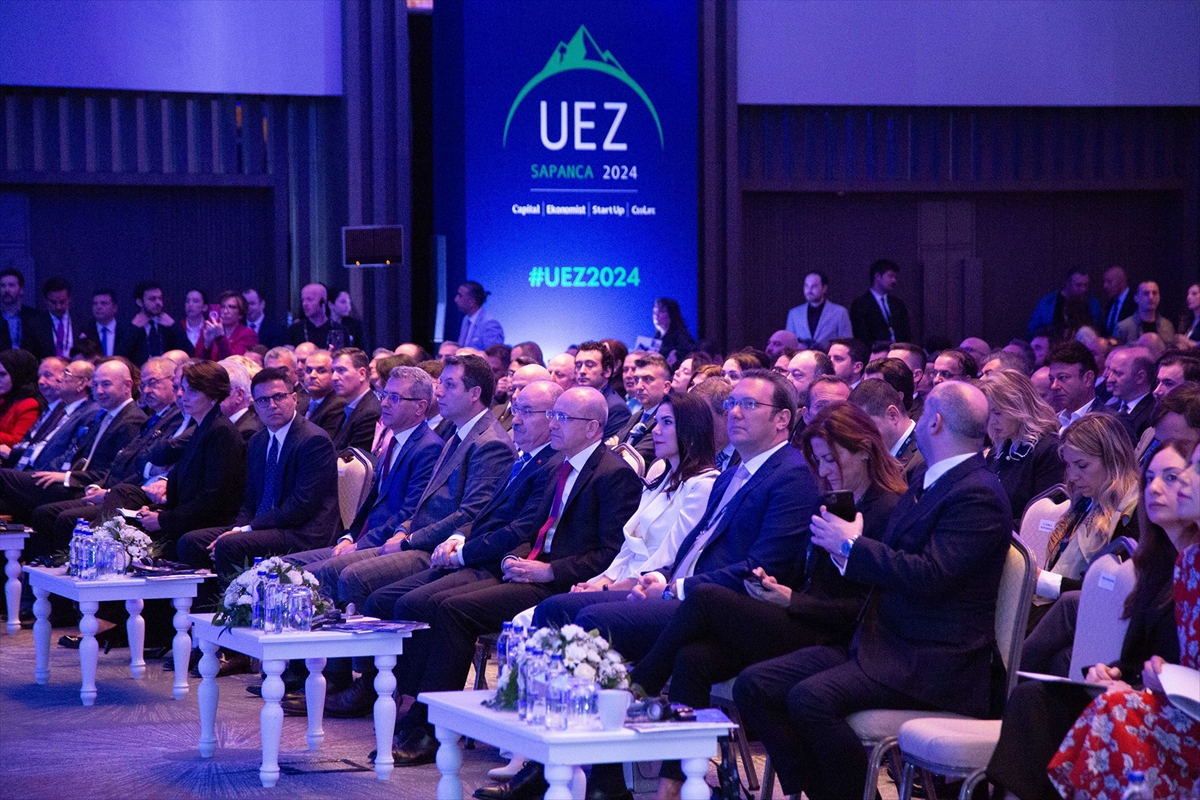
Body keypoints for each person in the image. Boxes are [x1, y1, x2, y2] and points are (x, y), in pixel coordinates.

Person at [734, 381, 1012, 800]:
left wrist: (851, 546)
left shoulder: (977, 492)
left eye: (923, 414)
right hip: (886, 644)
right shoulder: (932, 481)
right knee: (756, 685)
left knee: (810, 700)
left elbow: (932, 576)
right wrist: (849, 549)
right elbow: (899, 562)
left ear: (934, 423)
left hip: (934, 661)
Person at [625, 402, 904, 797]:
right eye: (819, 461)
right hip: (805, 617)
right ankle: (674, 784)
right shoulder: (833, 500)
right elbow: (812, 575)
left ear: (864, 450)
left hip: (838, 634)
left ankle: (640, 686)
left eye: (831, 459)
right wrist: (778, 590)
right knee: (693, 657)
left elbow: (862, 607)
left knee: (706, 595)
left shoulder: (887, 509)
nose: (825, 470)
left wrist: (794, 600)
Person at [376, 387, 641, 768]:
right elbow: (529, 528)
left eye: (563, 418)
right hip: (527, 569)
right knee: (435, 603)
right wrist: (514, 557)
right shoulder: (560, 466)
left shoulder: (614, 475)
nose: (553, 424)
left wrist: (550, 569)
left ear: (592, 428)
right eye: (553, 415)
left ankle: (433, 728)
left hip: (560, 584)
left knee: (454, 610)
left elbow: (610, 553)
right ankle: (420, 710)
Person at [987, 440, 1197, 799]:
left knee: (1101, 708)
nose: (1156, 488)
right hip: (1145, 694)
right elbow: (1136, 659)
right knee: (1034, 699)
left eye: (1172, 476)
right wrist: (1110, 672)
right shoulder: (1159, 567)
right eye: (1149, 479)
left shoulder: (1187, 565)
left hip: (1175, 706)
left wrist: (1148, 683)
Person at [1046, 445, 1200, 800]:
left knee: (1114, 711)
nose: (1182, 481)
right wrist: (1159, 677)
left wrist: (1160, 683)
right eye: (1150, 479)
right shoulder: (1187, 564)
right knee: (1089, 703)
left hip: (1186, 715)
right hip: (1182, 708)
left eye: (1193, 470)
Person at [312, 354, 516, 611]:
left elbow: (470, 514)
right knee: (330, 569)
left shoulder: (490, 443)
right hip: (417, 538)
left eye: (449, 385)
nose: (438, 392)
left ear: (474, 393)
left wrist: (409, 539)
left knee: (350, 575)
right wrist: (403, 529)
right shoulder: (458, 433)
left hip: (439, 548)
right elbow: (424, 504)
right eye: (440, 384)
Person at [0, 358, 146, 528]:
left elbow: (114, 470)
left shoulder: (132, 420)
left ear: (127, 385)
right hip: (75, 479)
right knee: (7, 503)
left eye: (106, 384)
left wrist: (68, 476)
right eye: (96, 384)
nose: (99, 391)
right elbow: (80, 455)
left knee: (5, 477)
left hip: (84, 486)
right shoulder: (105, 415)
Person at [1029, 413, 1139, 629]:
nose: (1072, 477)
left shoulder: (1132, 514)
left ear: (1113, 460)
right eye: (1069, 466)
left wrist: (1043, 581)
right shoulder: (1083, 503)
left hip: (1092, 622)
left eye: (1082, 466)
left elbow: (1109, 591)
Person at [133, 361, 247, 559]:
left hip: (210, 522)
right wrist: (155, 511)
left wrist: (163, 519)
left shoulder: (221, 431)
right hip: (190, 518)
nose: (183, 396)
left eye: (192, 392)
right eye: (183, 389)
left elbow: (213, 496)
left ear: (213, 395)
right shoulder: (202, 428)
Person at [979, 369, 1065, 525]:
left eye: (998, 413)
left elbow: (1044, 519)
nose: (992, 421)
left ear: (1020, 408)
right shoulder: (996, 452)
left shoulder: (1048, 449)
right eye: (988, 414)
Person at [849, 376, 924, 480]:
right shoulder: (873, 457)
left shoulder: (924, 459)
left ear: (892, 416)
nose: (861, 437)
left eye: (866, 427)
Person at [611, 352, 671, 463]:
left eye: (647, 379)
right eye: (636, 380)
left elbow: (633, 460)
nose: (638, 386)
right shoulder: (637, 416)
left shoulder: (666, 421)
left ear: (666, 387)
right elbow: (610, 446)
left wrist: (617, 448)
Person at [1048, 340, 1112, 432]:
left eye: (1062, 378)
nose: (1054, 386)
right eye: (1051, 379)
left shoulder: (1110, 422)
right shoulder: (1052, 424)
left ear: (1088, 379)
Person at [574, 341, 630, 440]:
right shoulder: (572, 400)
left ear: (607, 371)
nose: (582, 371)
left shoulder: (616, 408)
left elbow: (605, 448)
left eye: (590, 365)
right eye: (578, 365)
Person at [328, 347, 381, 452]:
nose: (334, 377)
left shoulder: (370, 413)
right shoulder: (349, 406)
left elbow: (353, 458)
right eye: (333, 371)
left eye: (341, 370)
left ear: (362, 374)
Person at [1026, 268, 1102, 340]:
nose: (1083, 289)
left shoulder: (1093, 303)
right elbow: (1031, 330)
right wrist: (1052, 331)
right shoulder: (1048, 301)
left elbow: (1099, 330)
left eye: (1086, 285)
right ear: (1067, 283)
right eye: (1078, 285)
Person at [850, 259, 911, 344]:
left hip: (898, 349)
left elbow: (906, 332)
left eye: (895, 277)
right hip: (873, 351)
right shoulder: (860, 304)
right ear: (877, 276)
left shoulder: (898, 304)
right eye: (890, 276)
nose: (894, 280)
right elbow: (861, 335)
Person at [127, 282, 190, 363]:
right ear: (139, 302)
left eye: (160, 298)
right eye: (152, 299)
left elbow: (189, 352)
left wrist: (173, 327)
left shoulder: (169, 324)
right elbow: (120, 356)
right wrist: (134, 330)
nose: (158, 303)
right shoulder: (129, 325)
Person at [1105, 345, 1157, 442]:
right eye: (1110, 371)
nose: (1110, 379)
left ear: (1140, 377)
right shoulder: (1108, 409)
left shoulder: (1154, 414)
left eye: (1118, 373)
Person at [786, 271, 853, 345]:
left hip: (828, 352)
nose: (809, 290)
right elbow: (788, 343)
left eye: (814, 286)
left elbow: (847, 343)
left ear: (824, 288)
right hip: (801, 352)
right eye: (806, 286)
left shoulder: (840, 312)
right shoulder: (794, 314)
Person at [193, 290, 258, 359]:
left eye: (231, 307)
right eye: (222, 307)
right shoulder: (210, 328)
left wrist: (220, 338)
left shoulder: (248, 335)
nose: (225, 311)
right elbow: (197, 361)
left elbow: (234, 361)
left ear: (240, 314)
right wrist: (207, 345)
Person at [0, 268, 50, 358]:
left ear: (21, 290)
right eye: (2, 286)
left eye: (11, 285)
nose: (6, 290)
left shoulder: (35, 317)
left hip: (30, 364)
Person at [0, 349, 43, 447]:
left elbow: (18, 441)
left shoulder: (29, 404)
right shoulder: (5, 398)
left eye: (2, 374)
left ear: (18, 374)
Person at [34, 277, 85, 360]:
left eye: (62, 302)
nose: (58, 307)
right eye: (53, 302)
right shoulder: (35, 324)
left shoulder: (81, 322)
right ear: (45, 300)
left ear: (69, 299)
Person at [299, 350, 346, 438]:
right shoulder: (301, 401)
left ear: (333, 374)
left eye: (321, 371)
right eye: (309, 370)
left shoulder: (338, 405)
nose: (312, 375)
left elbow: (323, 442)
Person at [1116, 281, 1176, 345]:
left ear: (1159, 298)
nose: (1151, 297)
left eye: (1154, 293)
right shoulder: (1123, 327)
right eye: (1146, 293)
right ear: (1136, 298)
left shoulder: (1167, 326)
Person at [218, 358, 263, 442]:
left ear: (239, 395)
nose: (211, 398)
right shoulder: (221, 425)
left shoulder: (249, 432)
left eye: (218, 391)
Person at [84, 289, 135, 358]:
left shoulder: (126, 331)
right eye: (95, 303)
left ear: (115, 308)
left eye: (103, 303)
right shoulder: (86, 330)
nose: (98, 307)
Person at [455, 281, 504, 349]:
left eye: (460, 296)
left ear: (472, 302)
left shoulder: (490, 324)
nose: (456, 299)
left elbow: (493, 354)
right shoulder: (466, 319)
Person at [286, 283, 337, 348]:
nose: (304, 304)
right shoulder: (294, 330)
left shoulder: (339, 330)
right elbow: (288, 353)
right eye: (303, 300)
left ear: (323, 301)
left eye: (309, 299)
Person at [653, 297, 695, 367]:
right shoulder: (657, 335)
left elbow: (692, 351)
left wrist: (677, 353)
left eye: (661, 311)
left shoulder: (681, 335)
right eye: (654, 311)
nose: (656, 315)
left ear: (671, 314)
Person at [1102, 266, 1136, 337]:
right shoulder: (1109, 304)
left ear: (1121, 282)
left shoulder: (1135, 301)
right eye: (1104, 282)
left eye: (1109, 282)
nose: (1105, 286)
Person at [1178, 282, 1200, 347]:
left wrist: (1189, 342)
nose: (1188, 297)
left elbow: (1189, 342)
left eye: (1194, 293)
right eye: (1188, 294)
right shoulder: (1188, 320)